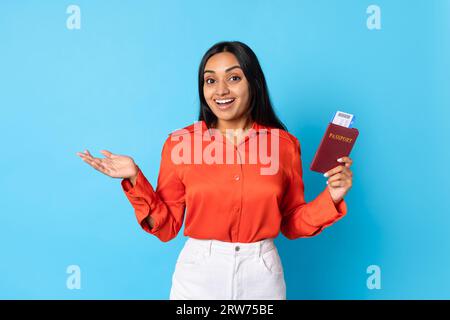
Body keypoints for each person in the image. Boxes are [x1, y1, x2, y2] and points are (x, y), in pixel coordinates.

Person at [76, 41, 353, 300]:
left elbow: (292, 222)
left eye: (233, 78)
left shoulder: (284, 145)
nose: (220, 90)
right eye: (210, 80)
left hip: (262, 275)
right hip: (198, 275)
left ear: (253, 84)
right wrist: (134, 179)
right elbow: (167, 226)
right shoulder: (179, 144)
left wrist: (332, 197)